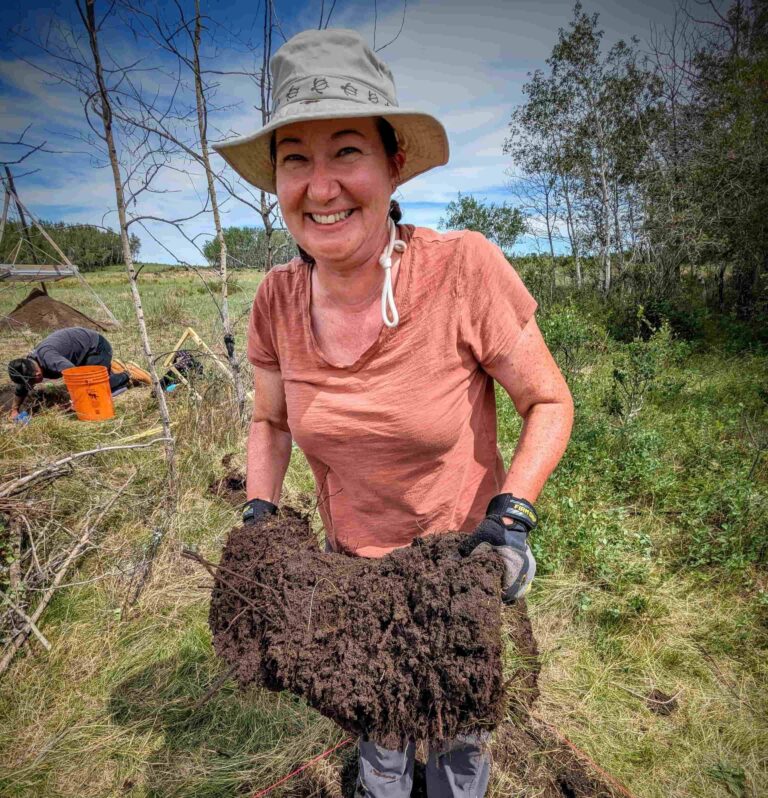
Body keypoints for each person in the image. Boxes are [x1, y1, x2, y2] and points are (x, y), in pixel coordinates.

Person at [214, 29, 574, 798]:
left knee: (456, 752)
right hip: (349, 578)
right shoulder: (277, 299)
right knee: (379, 750)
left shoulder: (463, 268)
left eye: (346, 151)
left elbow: (548, 400)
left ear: (393, 163)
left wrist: (512, 517)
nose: (321, 186)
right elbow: (272, 424)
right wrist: (258, 513)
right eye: (295, 159)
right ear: (276, 180)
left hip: (455, 574)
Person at [7, 327, 130, 420]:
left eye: (32, 382)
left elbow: (77, 376)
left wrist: (76, 402)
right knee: (90, 388)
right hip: (83, 353)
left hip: (97, 347)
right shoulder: (27, 366)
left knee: (94, 391)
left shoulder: (50, 359)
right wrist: (14, 410)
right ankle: (110, 368)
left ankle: (129, 374)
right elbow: (21, 388)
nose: (31, 385)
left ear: (38, 375)